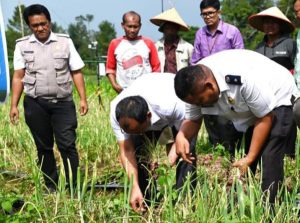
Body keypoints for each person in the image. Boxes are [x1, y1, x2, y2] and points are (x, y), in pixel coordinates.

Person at [174, 49, 298, 204]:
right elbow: (193, 120)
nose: (199, 106)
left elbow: (265, 117)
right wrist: (182, 135)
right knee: (247, 159)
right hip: (251, 108)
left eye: (200, 101)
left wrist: (250, 157)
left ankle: (270, 210)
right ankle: (245, 205)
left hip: (278, 96)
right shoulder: (194, 87)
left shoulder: (241, 78)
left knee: (269, 155)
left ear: (209, 86)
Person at [9, 4, 88, 191]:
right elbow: (18, 76)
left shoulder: (64, 42)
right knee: (43, 147)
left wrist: (83, 99)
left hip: (63, 104)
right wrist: (14, 105)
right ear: (30, 26)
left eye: (43, 24)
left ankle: (73, 186)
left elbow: (76, 71)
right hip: (35, 104)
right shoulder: (22, 45)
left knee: (67, 145)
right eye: (35, 25)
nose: (40, 28)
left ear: (49, 22)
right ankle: (51, 187)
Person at [110, 73, 196, 213]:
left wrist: (168, 162)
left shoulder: (171, 103)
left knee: (186, 153)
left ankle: (184, 202)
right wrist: (134, 187)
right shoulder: (116, 111)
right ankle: (146, 201)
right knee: (138, 154)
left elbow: (184, 132)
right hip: (152, 113)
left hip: (179, 116)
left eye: (139, 130)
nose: (138, 134)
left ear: (148, 117)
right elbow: (126, 151)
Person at [190, 0, 245, 155]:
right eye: (204, 14)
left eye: (210, 13)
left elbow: (241, 57)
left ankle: (234, 152)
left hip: (228, 85)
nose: (207, 17)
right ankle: (217, 153)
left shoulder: (232, 31)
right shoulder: (200, 33)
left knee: (229, 120)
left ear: (218, 12)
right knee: (211, 121)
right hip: (207, 85)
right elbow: (195, 59)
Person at [248, 6, 297, 158]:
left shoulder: (290, 44)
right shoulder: (259, 48)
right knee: (266, 121)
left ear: (280, 25)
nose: (269, 26)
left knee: (288, 123)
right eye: (266, 22)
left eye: (273, 22)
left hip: (287, 93)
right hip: (265, 92)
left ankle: (289, 155)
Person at [106, 11, 161, 94]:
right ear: (122, 25)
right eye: (129, 26)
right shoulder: (115, 44)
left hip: (145, 91)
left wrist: (152, 86)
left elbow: (156, 68)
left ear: (140, 26)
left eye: (135, 27)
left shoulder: (149, 43)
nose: (132, 30)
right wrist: (114, 85)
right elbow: (110, 69)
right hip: (123, 91)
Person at [150, 7, 194, 74]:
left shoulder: (188, 48)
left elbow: (193, 68)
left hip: (180, 82)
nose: (170, 31)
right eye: (167, 28)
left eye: (173, 28)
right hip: (160, 81)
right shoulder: (155, 47)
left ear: (177, 29)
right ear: (163, 30)